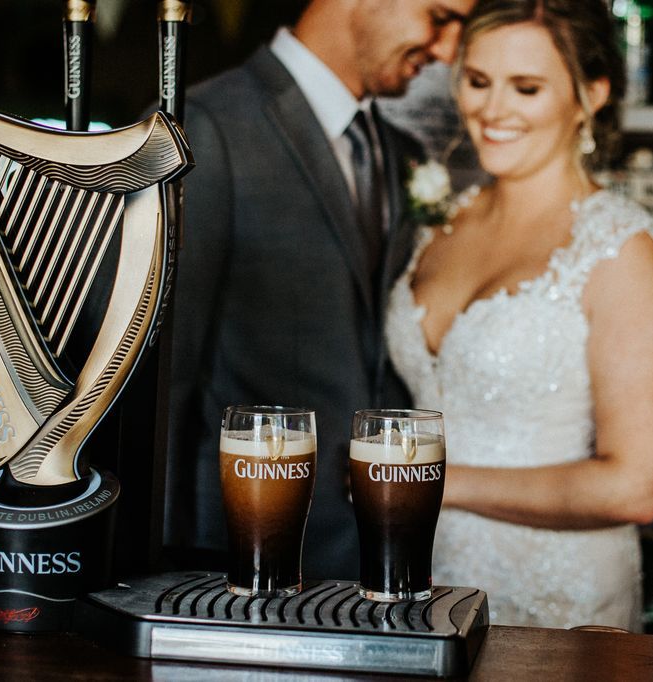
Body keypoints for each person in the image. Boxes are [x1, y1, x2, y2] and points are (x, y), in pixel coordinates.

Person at [385, 0, 653, 629]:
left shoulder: (621, 253)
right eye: (477, 81)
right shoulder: (447, 219)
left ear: (590, 95)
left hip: (556, 603)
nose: (493, 111)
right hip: (418, 583)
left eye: (526, 88)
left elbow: (636, 485)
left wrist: (433, 482)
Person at [165, 0, 478, 581]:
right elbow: (165, 376)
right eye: (440, 17)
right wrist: (164, 563)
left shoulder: (400, 151)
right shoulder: (207, 127)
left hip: (374, 551)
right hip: (238, 551)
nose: (447, 52)